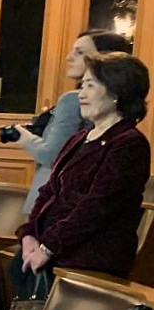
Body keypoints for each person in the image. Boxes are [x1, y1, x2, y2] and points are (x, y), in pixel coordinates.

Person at [12, 51, 152, 299]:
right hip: (54, 251)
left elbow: (97, 207)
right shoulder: (79, 137)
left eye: (90, 85)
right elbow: (49, 191)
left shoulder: (128, 143)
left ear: (117, 92)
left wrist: (48, 247)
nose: (81, 94)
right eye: (82, 85)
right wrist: (30, 233)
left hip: (89, 262)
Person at [13, 29, 133, 213]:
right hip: (81, 202)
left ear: (103, 58)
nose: (69, 57)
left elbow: (52, 155)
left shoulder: (72, 100)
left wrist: (20, 136)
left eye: (79, 52)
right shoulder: (121, 106)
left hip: (54, 200)